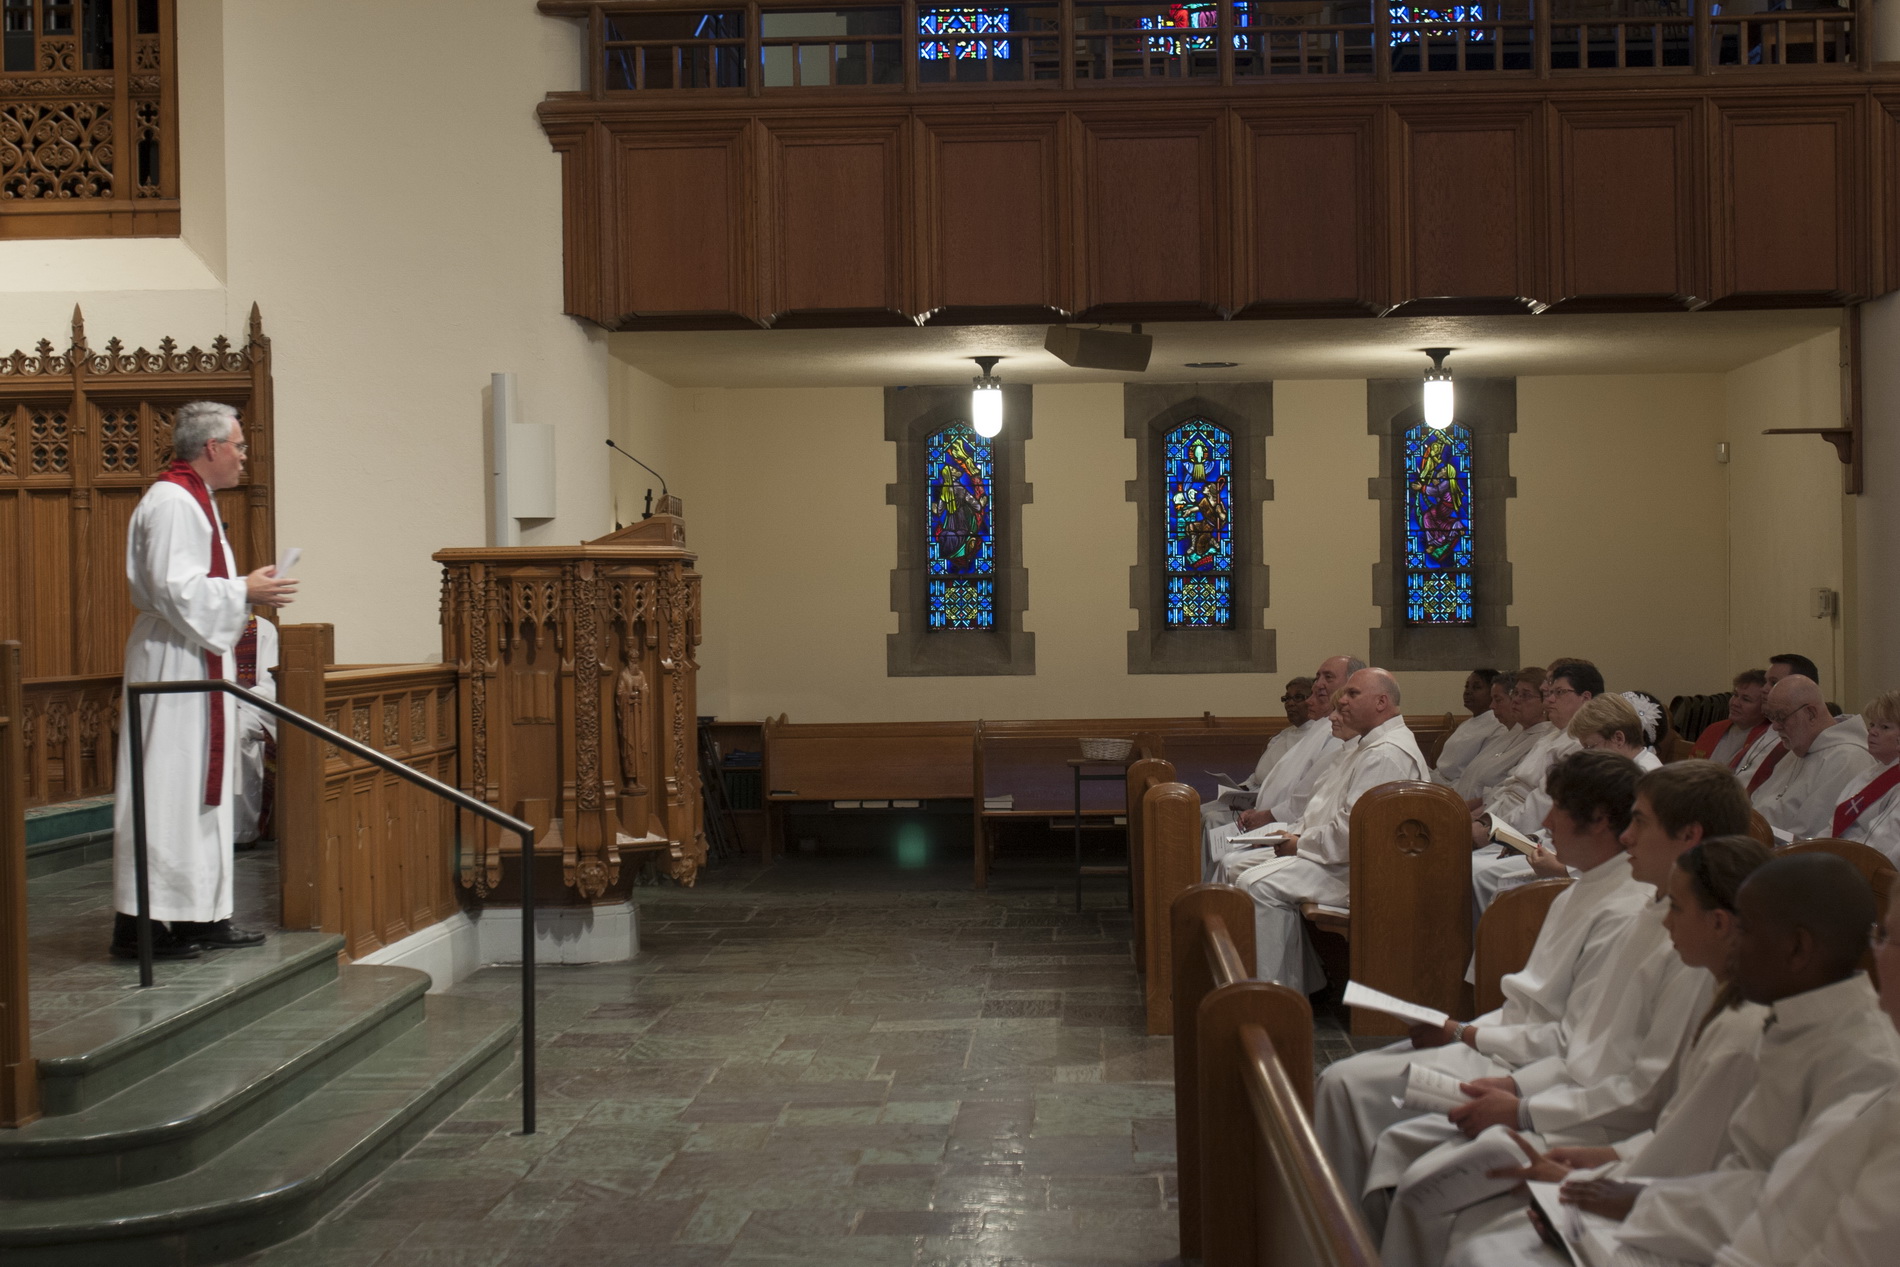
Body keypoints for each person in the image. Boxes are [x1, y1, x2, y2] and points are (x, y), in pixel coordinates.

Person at [1363, 761, 1749, 1266]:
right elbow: (1584, 1044)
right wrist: (1517, 1090)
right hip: (1579, 1111)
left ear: (1689, 835)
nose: (1626, 837)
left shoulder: (1690, 950)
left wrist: (1527, 1109)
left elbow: (1649, 1097)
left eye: (1640, 822)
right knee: (1416, 1169)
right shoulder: (1658, 917)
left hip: (1597, 1125)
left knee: (1441, 1203)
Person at [1317, 750, 1653, 1210]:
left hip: (1528, 1071)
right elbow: (1530, 1009)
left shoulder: (1626, 911)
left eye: (1557, 808)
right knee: (1342, 1082)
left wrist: (1464, 1034)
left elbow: (1572, 1042)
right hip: (1504, 1046)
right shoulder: (1587, 887)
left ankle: (1346, 1229)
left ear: (1598, 821)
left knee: (1347, 1087)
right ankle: (1342, 1222)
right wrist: (1464, 1032)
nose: (1547, 822)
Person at [1442, 835, 1775, 1267]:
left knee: (1480, 1241)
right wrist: (1605, 1161)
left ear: (1719, 923)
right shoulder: (1724, 996)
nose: (1665, 921)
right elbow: (1677, 1131)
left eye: (1676, 907)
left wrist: (1588, 1182)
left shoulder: (1740, 1026)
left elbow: (1683, 1143)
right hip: (1626, 1158)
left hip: (1674, 1209)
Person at [1555, 853, 1900, 1265]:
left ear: (1797, 948)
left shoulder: (1866, 1065)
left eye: (1746, 930)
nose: (1733, 944)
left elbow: (1788, 1220)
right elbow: (1748, 1175)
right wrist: (1633, 1197)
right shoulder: (1792, 1020)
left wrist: (1636, 1202)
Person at [109, 401, 297, 960]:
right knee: (167, 790)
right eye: (238, 446)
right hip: (172, 662)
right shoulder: (172, 501)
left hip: (193, 658)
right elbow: (175, 588)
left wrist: (243, 588)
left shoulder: (196, 498)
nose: (244, 457)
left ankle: (200, 916)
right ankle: (142, 926)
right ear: (212, 447)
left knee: (198, 791)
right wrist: (244, 590)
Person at [1225, 668, 1429, 994]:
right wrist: (1294, 835)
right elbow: (1326, 810)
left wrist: (1299, 843)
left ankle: (1273, 998)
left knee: (1257, 885)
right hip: (1341, 858)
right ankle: (1302, 982)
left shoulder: (1385, 754)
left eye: (1352, 694)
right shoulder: (1369, 746)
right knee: (1238, 867)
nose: (1342, 702)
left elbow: (1352, 833)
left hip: (1362, 872)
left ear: (1381, 702)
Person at [1203, 655, 1359, 881]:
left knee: (1234, 865)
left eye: (1328, 677)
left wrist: (1271, 820)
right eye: (1317, 679)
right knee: (1220, 841)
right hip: (1280, 824)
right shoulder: (1319, 728)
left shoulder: (1338, 734)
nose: (1318, 686)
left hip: (1296, 832)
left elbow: (1311, 797)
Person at [1469, 658, 1597, 847]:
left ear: (1585, 698)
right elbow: (1510, 785)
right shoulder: (1553, 734)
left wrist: (1492, 832)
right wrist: (1483, 820)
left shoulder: (1579, 744)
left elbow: (1542, 805)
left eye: (1557, 691)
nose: (1549, 697)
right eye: (1549, 690)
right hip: (1500, 816)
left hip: (1521, 834)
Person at [1753, 674, 1877, 840]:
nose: (1775, 726)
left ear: (1810, 713)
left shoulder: (1847, 759)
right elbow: (1758, 803)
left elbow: (1810, 838)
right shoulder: (1799, 748)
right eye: (1771, 717)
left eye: (1781, 717)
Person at [1202, 675, 1314, 833]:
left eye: (1298, 697)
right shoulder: (1282, 736)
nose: (1290, 703)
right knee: (1198, 810)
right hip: (1251, 795)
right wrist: (1240, 790)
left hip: (1274, 805)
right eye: (1287, 698)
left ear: (1314, 700)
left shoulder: (1316, 737)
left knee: (1212, 819)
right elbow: (1259, 775)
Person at [1830, 687, 1900, 864]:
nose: (1873, 732)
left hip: (1861, 867)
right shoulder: (1868, 774)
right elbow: (1833, 827)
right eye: (1872, 724)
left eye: (1884, 727)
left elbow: (1881, 845)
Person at [1454, 670, 1538, 802]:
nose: (1492, 706)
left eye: (1498, 700)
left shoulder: (1537, 740)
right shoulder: (1510, 734)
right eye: (1516, 694)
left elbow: (1507, 791)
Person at [232, 614, 279, 847]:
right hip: (206, 704)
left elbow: (269, 687)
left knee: (235, 732)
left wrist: (231, 699)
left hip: (251, 708)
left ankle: (240, 830)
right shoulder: (201, 624)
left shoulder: (261, 629)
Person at [1694, 671, 1778, 784]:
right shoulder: (1714, 729)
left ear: (1765, 707)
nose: (1735, 703)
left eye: (1746, 699)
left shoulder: (1768, 739)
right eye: (1735, 695)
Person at [1434, 669, 1505, 791]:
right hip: (1439, 779)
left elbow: (1479, 774)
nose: (1468, 692)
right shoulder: (1468, 723)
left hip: (1457, 788)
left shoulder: (1497, 727)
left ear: (1492, 693)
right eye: (1467, 687)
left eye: (1476, 687)